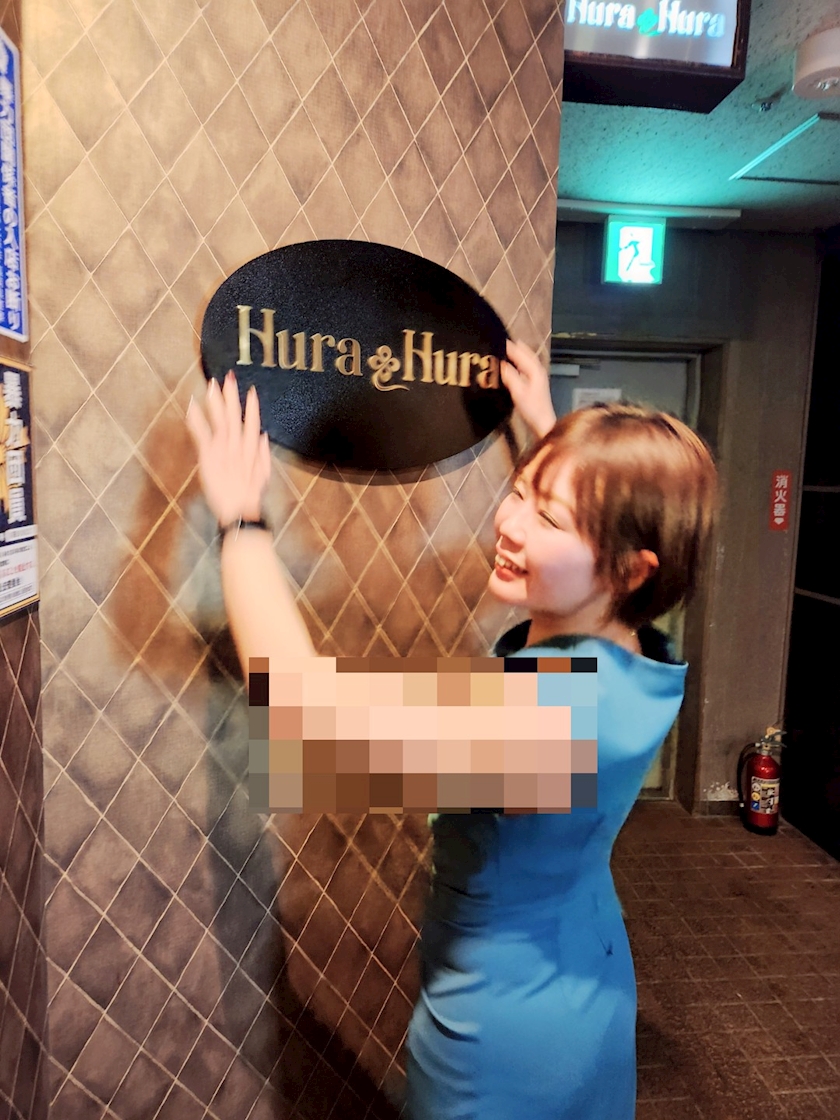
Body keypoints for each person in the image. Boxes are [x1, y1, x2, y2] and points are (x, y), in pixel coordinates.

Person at [187, 340, 717, 1120]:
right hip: (585, 980)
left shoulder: (555, 723)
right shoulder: (635, 656)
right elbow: (594, 547)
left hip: (508, 1049)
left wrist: (240, 519)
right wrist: (553, 441)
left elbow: (305, 723)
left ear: (632, 569)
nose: (508, 523)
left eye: (548, 516)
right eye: (520, 490)